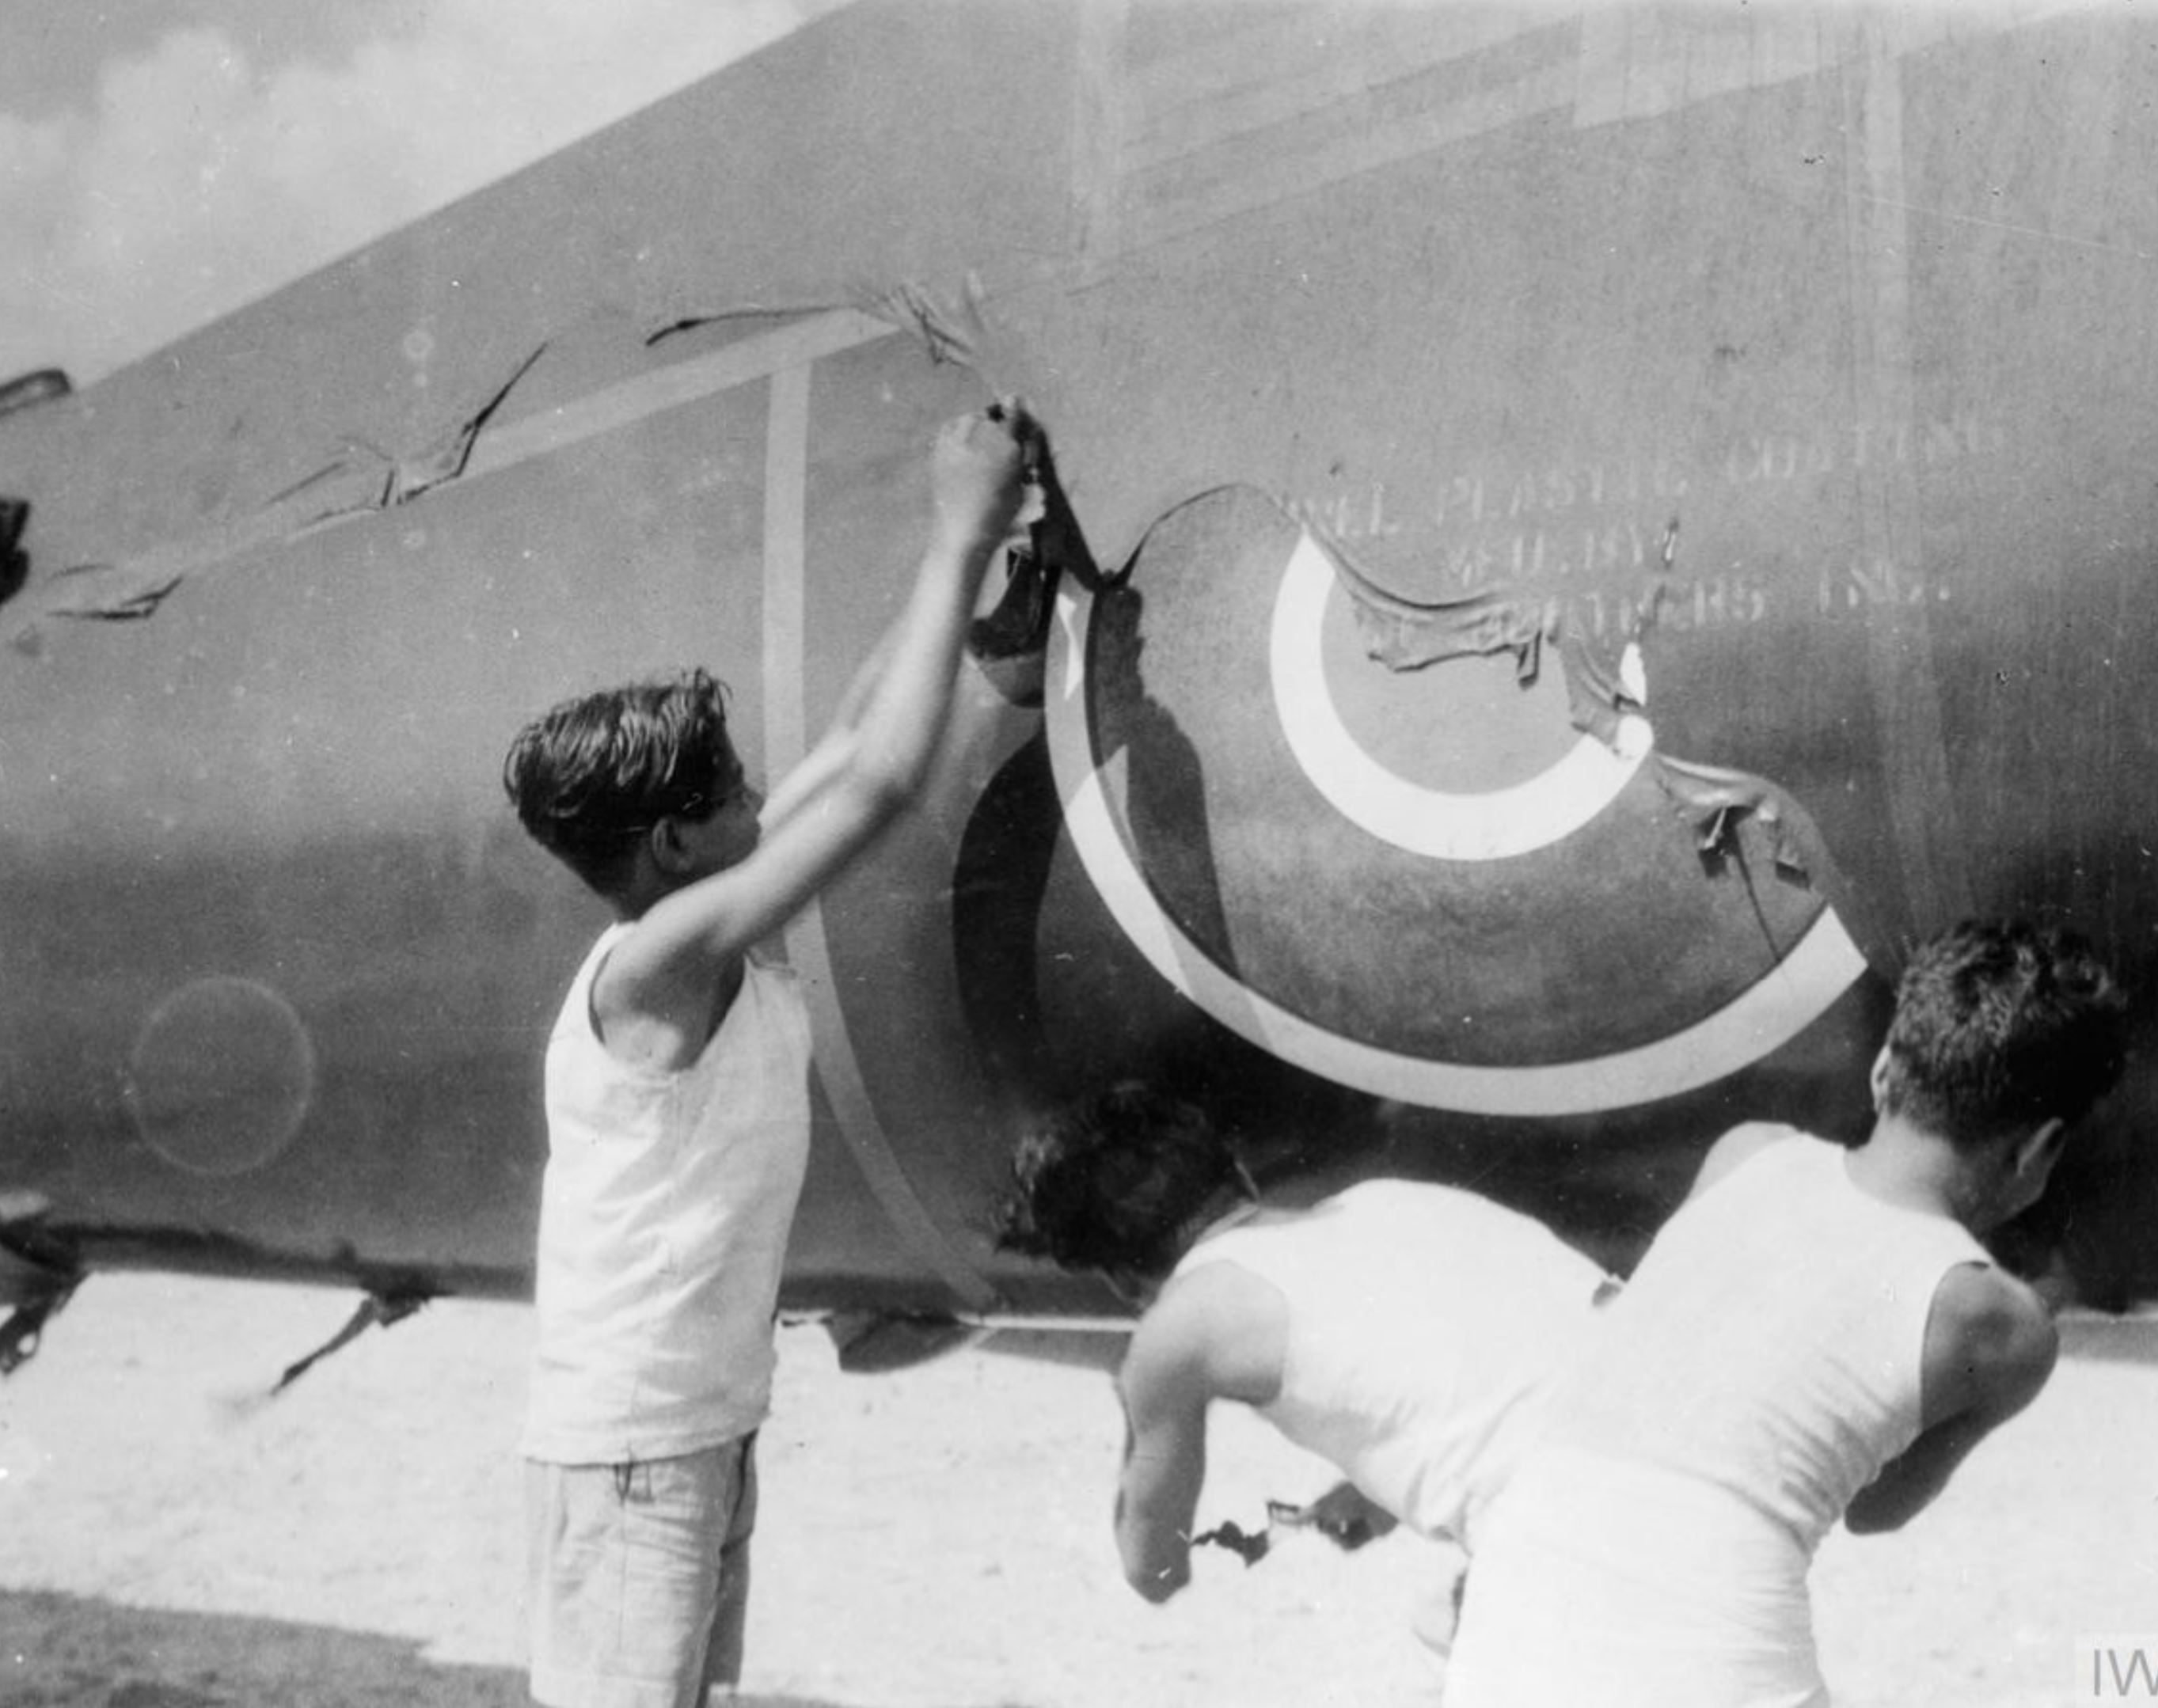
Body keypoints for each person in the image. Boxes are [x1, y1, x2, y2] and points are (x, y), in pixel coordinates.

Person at [500, 401, 1033, 1708]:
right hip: (636, 1445)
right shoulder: (663, 956)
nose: (760, 797)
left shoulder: (686, 901)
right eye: (735, 790)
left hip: (691, 1424)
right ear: (676, 843)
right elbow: (879, 788)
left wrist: (962, 588)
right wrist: (959, 532)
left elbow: (856, 739)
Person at [1444, 917, 2130, 1708]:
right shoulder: (1999, 1324)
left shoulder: (1747, 1152)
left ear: (1881, 1071)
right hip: (1712, 1651)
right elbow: (1876, 1508)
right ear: (2037, 1148)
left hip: (1512, 1609)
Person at [995, 1082, 1615, 1695]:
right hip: (1680, 1439)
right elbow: (1520, 1371)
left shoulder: (1177, 1329)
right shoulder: (1387, 1200)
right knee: (1446, 1625)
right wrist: (1373, 1493)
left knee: (1459, 1642)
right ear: (1240, 1174)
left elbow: (1153, 1570)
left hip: (1593, 1542)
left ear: (1118, 1280)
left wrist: (1134, 1393)